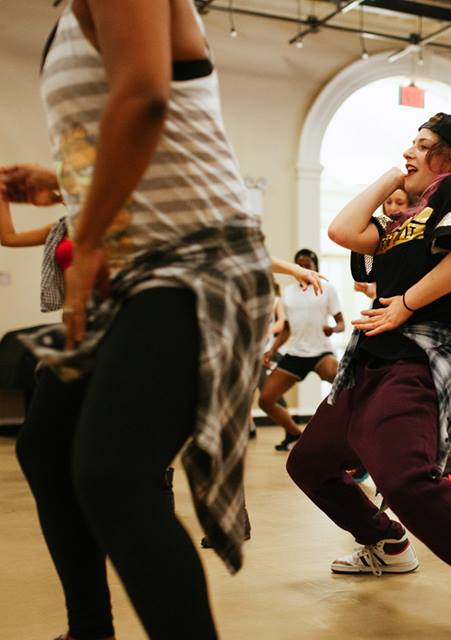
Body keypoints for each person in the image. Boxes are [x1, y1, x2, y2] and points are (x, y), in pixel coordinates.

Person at [10, 2, 274, 638]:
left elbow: (146, 99)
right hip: (141, 272)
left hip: (199, 260)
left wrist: (88, 241)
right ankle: (88, 630)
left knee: (113, 473)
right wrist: (67, 183)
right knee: (48, 448)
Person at [286, 114, 451, 640]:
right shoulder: (407, 220)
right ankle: (388, 544)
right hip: (369, 362)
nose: (410, 151)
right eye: (410, 143)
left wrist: (406, 305)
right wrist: (393, 177)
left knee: (404, 476)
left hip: (416, 359)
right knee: (309, 463)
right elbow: (343, 230)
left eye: (423, 146)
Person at [262, 248, 344, 451]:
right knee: (266, 400)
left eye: (308, 264)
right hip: (296, 352)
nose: (304, 267)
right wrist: (272, 350)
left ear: (315, 266)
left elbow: (341, 323)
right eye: (300, 264)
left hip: (321, 352)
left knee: (346, 385)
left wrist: (332, 329)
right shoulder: (288, 293)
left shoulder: (327, 288)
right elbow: (287, 330)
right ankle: (294, 433)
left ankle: (348, 435)